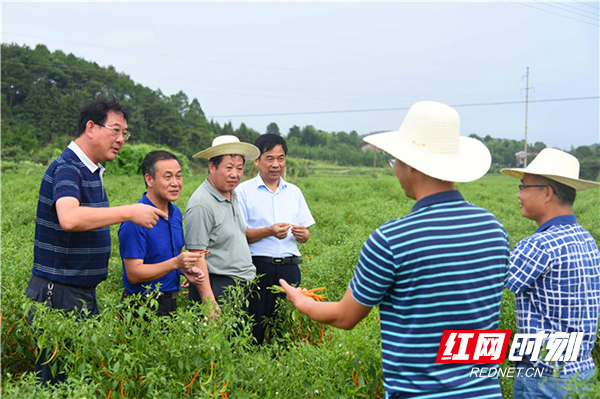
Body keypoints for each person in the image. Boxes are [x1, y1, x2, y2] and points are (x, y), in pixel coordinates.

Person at [280, 101, 510, 398]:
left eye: (396, 162)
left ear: (411, 166)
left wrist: (302, 302)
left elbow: (344, 317)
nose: (395, 170)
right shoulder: (494, 228)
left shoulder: (392, 239)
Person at [25, 96, 167, 384]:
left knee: (75, 379)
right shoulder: (69, 167)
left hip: (76, 292)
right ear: (91, 128)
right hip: (59, 293)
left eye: (124, 133)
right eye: (115, 130)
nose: (121, 139)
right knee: (57, 382)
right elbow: (70, 218)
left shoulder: (89, 170)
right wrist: (129, 212)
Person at [501, 148, 600, 398]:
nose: (518, 194)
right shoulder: (586, 239)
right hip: (582, 372)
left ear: (547, 193)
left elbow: (488, 284)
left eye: (524, 187)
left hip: (545, 377)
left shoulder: (538, 245)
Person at [236, 133, 315, 344]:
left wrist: (303, 235)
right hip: (258, 268)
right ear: (257, 161)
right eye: (269, 158)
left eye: (280, 158)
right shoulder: (242, 192)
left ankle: (283, 369)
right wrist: (269, 231)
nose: (276, 164)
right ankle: (255, 369)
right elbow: (239, 235)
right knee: (255, 326)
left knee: (287, 326)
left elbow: (306, 234)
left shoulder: (294, 192)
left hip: (290, 268)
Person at [118, 150, 205, 317]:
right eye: (168, 177)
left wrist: (184, 270)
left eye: (178, 176)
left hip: (170, 303)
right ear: (149, 179)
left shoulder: (175, 214)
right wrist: (175, 264)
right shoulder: (134, 219)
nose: (175, 183)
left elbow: (170, 254)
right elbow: (134, 274)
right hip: (142, 306)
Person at [184, 135, 260, 317]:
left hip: (239, 286)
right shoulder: (202, 204)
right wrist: (210, 304)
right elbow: (196, 255)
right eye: (229, 167)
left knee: (237, 343)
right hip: (219, 288)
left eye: (239, 168)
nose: (235, 174)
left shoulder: (232, 194)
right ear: (212, 167)